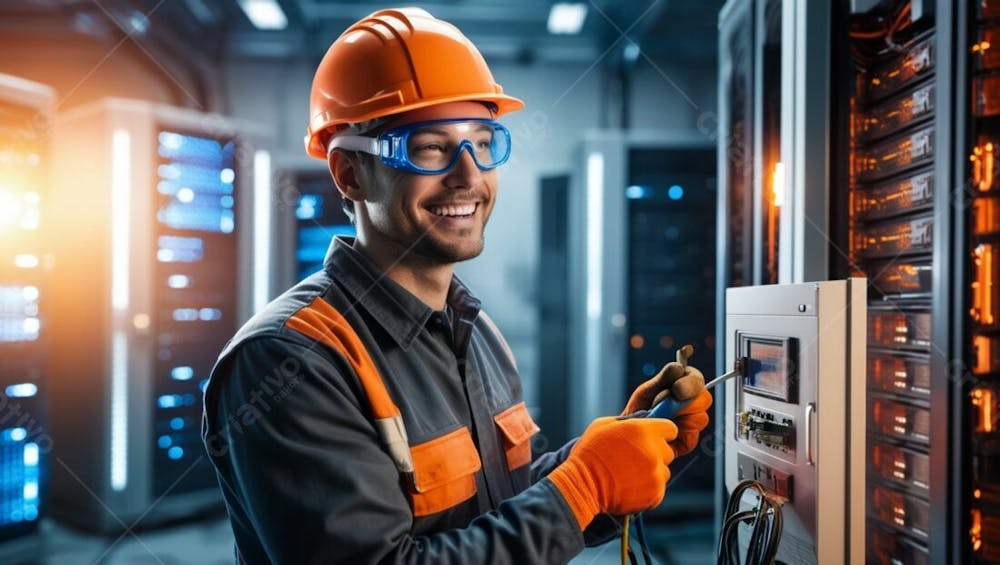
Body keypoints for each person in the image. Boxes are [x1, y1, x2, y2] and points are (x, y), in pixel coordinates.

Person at [202, 7, 713, 564]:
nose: (469, 176)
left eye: (483, 142)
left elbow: (500, 504)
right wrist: (581, 487)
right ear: (349, 172)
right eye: (430, 147)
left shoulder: (472, 326)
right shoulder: (289, 360)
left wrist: (622, 453)